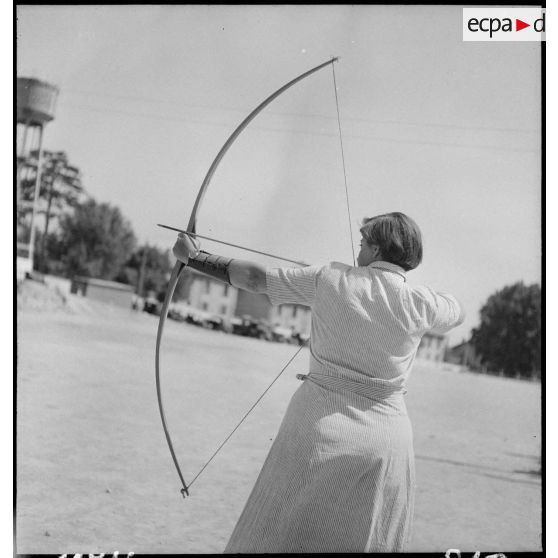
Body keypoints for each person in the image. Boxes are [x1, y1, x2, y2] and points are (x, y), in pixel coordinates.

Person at [172, 212, 465, 553]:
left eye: (362, 243)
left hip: (319, 428)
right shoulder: (421, 303)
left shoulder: (331, 277)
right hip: (385, 443)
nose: (358, 249)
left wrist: (193, 258)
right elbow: (456, 311)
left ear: (376, 248)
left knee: (282, 534)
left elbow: (253, 278)